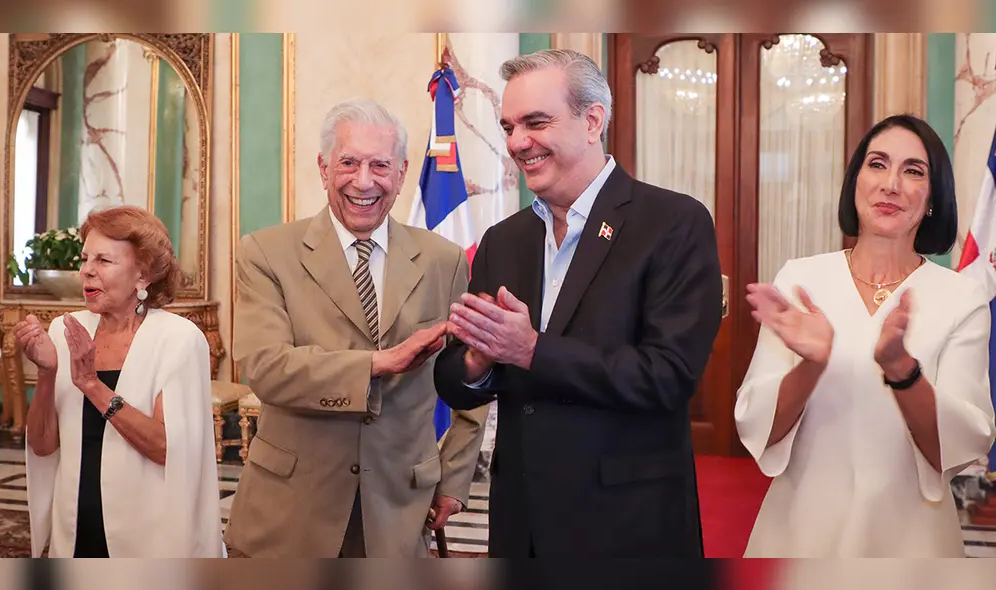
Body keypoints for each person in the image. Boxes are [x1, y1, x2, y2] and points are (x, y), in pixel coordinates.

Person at [432, 49, 724, 557]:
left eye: (536, 122)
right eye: (508, 127)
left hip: (626, 525)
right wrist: (478, 361)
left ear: (593, 121)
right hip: (521, 523)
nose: (518, 143)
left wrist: (530, 351)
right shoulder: (504, 240)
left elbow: (668, 375)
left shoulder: (673, 223)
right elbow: (455, 380)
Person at [223, 98, 488, 558]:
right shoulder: (266, 253)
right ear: (324, 168)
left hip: (402, 509)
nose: (363, 181)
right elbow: (264, 368)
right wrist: (377, 364)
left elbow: (471, 379)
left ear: (403, 173)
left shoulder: (444, 261)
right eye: (348, 162)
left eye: (380, 165)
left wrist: (455, 477)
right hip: (290, 511)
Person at [735, 113, 996, 557]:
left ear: (933, 197)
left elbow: (953, 448)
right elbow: (761, 426)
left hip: (910, 542)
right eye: (877, 164)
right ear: (855, 182)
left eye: (913, 171)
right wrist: (814, 364)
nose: (891, 184)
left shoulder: (962, 297)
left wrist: (901, 369)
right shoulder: (800, 279)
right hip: (801, 531)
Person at [17, 205, 223, 558]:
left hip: (150, 537)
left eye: (103, 261)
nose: (86, 271)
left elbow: (167, 449)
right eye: (85, 259)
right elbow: (42, 445)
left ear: (142, 275)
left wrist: (92, 385)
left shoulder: (177, 339)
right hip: (77, 528)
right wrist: (48, 373)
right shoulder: (65, 330)